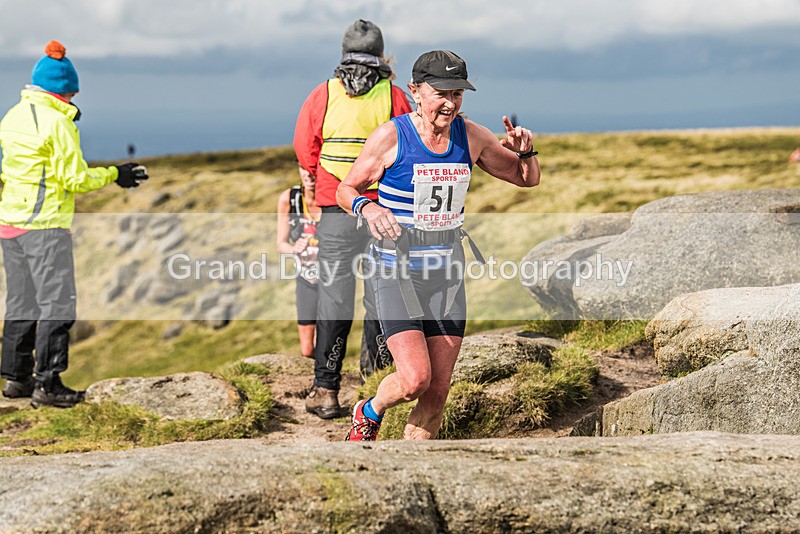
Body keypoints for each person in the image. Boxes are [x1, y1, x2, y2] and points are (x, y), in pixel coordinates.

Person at [337, 50, 541, 441]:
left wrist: (525, 150)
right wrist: (368, 207)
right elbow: (346, 189)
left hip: (447, 273)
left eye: (458, 93)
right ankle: (370, 409)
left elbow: (525, 178)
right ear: (415, 91)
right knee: (415, 380)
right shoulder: (391, 136)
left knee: (437, 392)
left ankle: (414, 471)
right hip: (395, 271)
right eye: (441, 92)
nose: (450, 102)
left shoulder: (472, 136)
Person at [0, 40, 149, 408]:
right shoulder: (57, 123)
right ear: (63, 89)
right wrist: (116, 174)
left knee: (21, 301)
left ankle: (15, 379)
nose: (74, 96)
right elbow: (75, 180)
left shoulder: (13, 115)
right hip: (46, 226)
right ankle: (48, 384)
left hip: (10, 223)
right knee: (57, 304)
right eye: (73, 90)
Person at [294, 19, 413, 419]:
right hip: (384, 213)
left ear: (343, 56)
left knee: (334, 297)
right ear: (380, 57)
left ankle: (326, 391)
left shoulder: (323, 95)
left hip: (335, 209)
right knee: (379, 297)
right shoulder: (394, 97)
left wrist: (316, 187)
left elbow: (306, 150)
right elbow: (408, 147)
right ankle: (373, 387)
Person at [276, 166, 321, 359]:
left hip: (334, 277)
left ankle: (324, 383)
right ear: (299, 169)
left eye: (314, 167)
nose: (309, 174)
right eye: (304, 168)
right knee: (307, 349)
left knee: (327, 341)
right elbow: (281, 243)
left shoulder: (333, 196)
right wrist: (294, 249)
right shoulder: (290, 198)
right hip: (305, 277)